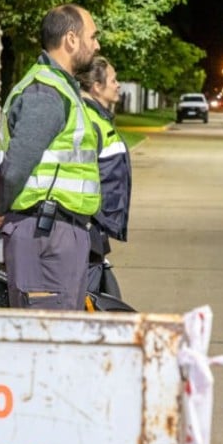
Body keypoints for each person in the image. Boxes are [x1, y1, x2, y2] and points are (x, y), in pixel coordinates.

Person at [0, 3, 102, 310]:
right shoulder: (47, 93)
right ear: (71, 39)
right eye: (92, 37)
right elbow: (18, 163)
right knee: (46, 331)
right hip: (47, 235)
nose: (97, 45)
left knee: (60, 329)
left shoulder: (61, 88)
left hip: (55, 232)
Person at [75, 56, 131, 291]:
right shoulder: (89, 120)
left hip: (96, 225)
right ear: (97, 86)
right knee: (90, 295)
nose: (118, 85)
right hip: (87, 224)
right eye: (113, 80)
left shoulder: (99, 118)